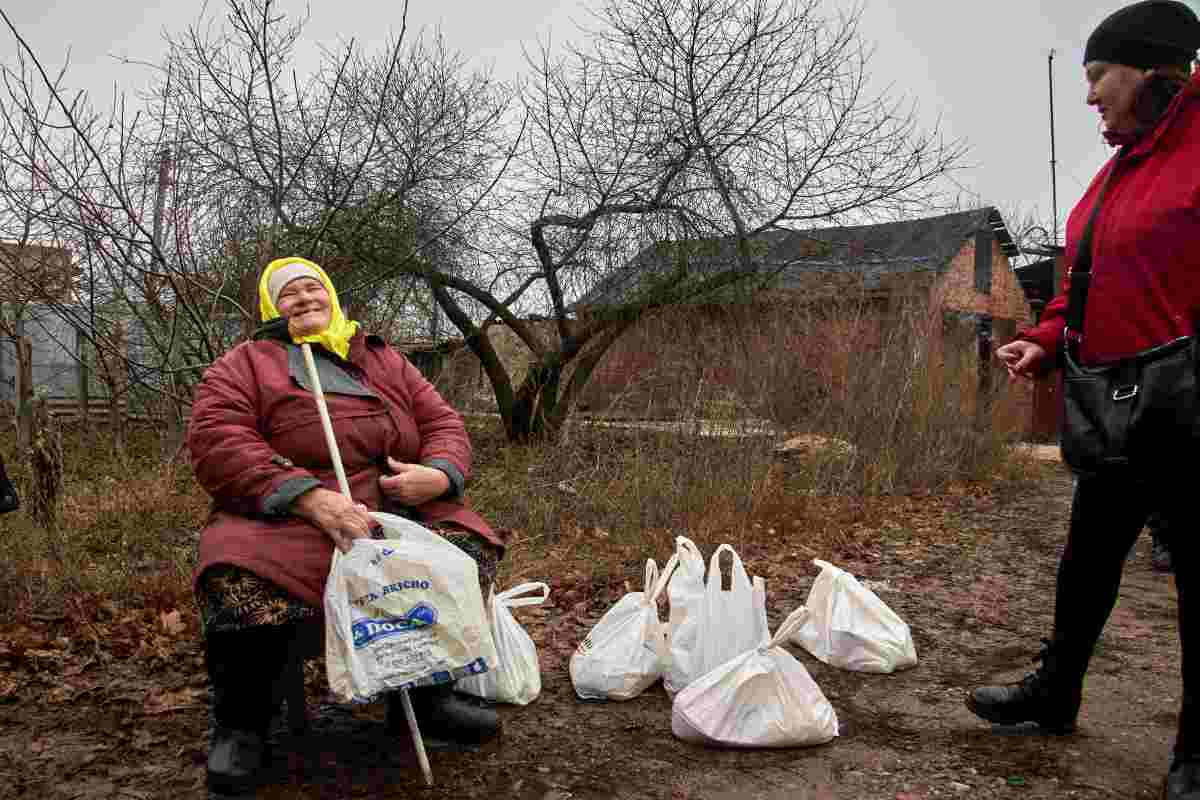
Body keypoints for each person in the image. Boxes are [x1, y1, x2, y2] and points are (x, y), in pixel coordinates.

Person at [967, 3, 1200, 797]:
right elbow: (1086, 283)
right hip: (1113, 407)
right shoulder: (1115, 171)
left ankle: (1197, 752)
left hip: (1191, 409)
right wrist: (1047, 334)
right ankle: (1055, 693)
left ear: (1151, 70)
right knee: (1087, 561)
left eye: (1099, 75)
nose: (1091, 95)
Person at [189, 256, 506, 796]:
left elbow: (442, 422)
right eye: (289, 293)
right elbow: (218, 439)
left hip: (393, 507)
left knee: (463, 548)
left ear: (333, 296)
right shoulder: (243, 365)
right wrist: (308, 498)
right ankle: (244, 723)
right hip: (287, 511)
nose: (305, 298)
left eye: (314, 288)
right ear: (271, 309)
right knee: (235, 575)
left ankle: (428, 694)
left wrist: (437, 473)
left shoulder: (382, 358)